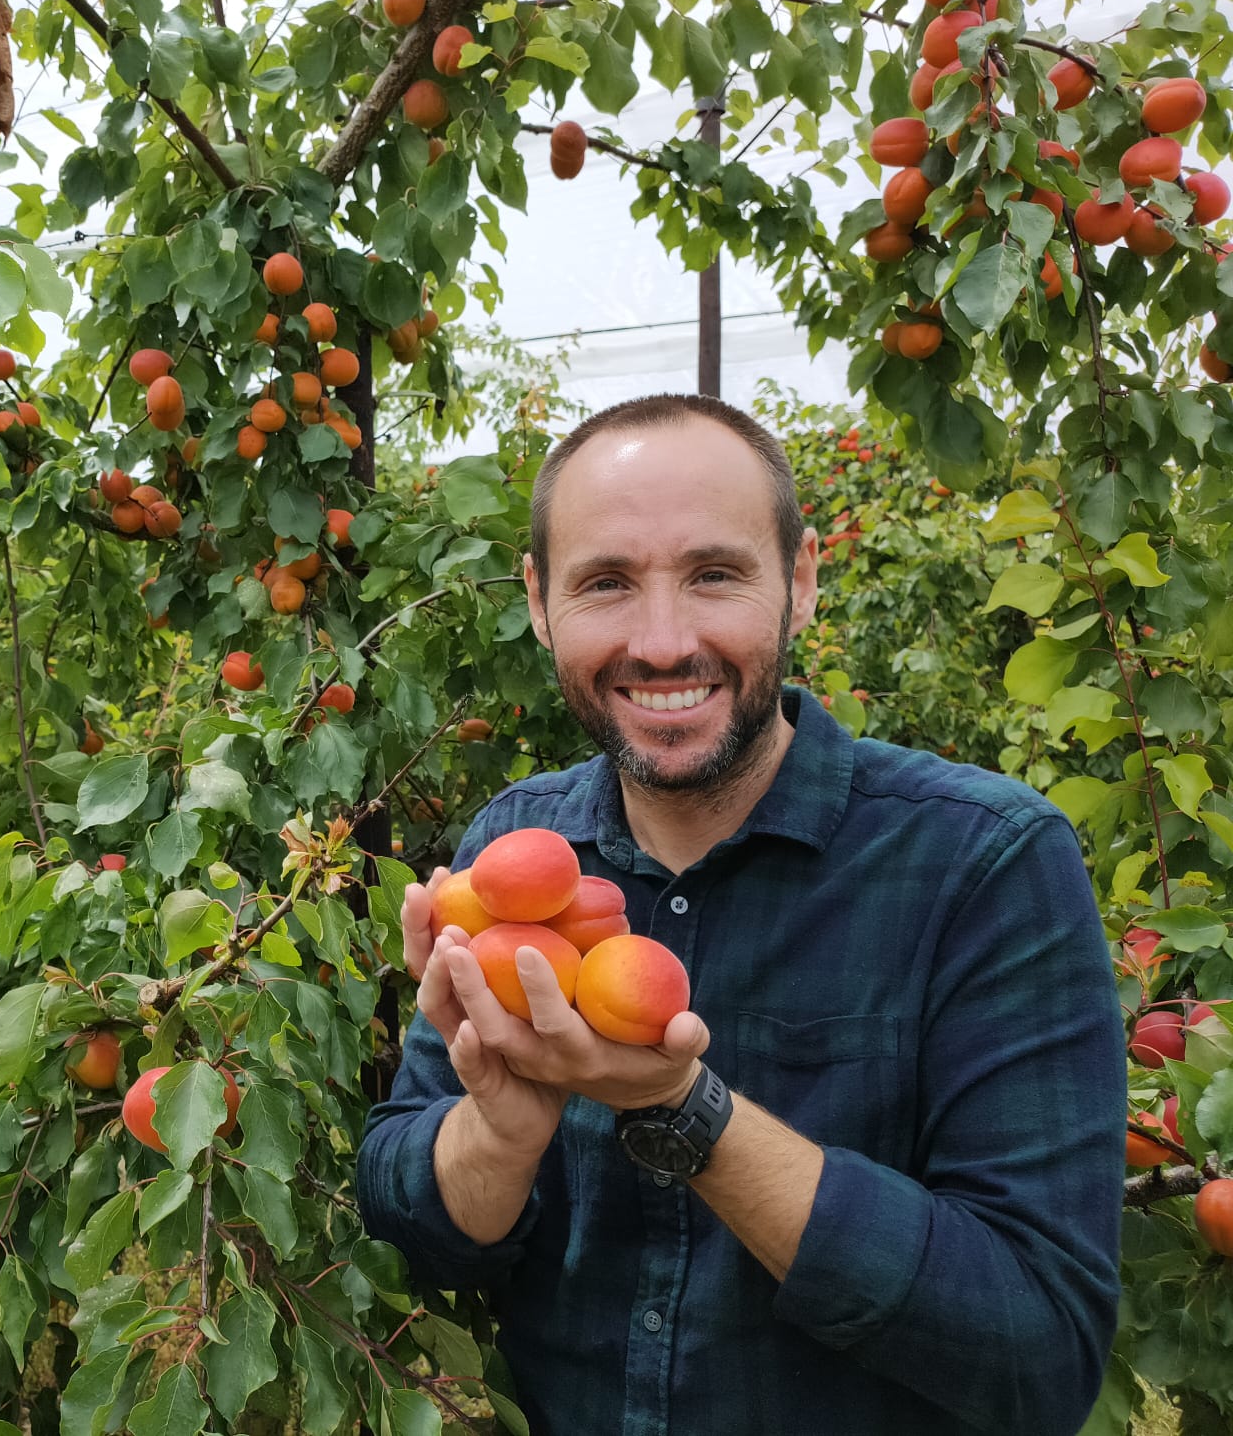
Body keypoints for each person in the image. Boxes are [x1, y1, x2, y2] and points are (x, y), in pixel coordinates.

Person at [356, 394, 1125, 1435]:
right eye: (605, 584)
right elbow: (413, 1234)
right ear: (538, 603)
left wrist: (685, 1111)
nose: (663, 642)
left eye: (714, 574)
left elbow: (1036, 1352)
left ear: (799, 580)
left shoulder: (981, 863)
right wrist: (497, 1133)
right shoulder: (515, 853)